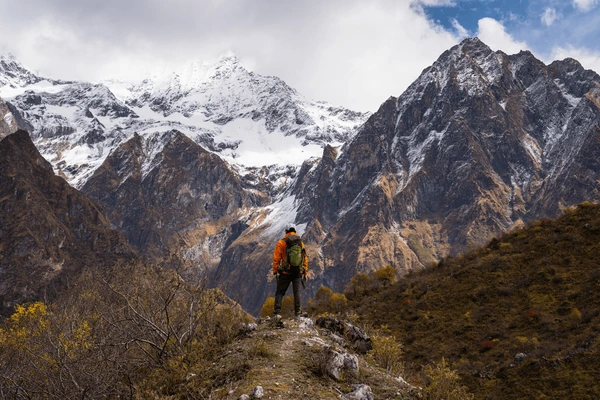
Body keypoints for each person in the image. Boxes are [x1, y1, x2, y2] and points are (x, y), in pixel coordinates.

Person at [272, 227, 308, 317]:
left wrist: (275, 271)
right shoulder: (301, 243)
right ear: (294, 232)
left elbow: (276, 258)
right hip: (298, 272)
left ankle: (277, 312)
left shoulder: (281, 242)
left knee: (280, 292)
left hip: (285, 272)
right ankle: (298, 313)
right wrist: (305, 272)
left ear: (286, 232)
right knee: (297, 293)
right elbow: (305, 258)